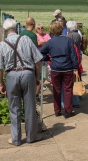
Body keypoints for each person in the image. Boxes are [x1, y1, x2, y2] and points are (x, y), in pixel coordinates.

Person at [0, 18, 43, 146]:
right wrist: (36, 78)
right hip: (28, 73)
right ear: (17, 28)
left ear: (4, 30)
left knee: (14, 107)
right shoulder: (26, 39)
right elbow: (37, 61)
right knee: (30, 106)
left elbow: (0, 67)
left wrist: (1, 83)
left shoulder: (2, 45)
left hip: (11, 75)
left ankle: (16, 139)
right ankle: (31, 136)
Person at [40, 22, 78, 119]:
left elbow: (40, 52)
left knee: (56, 90)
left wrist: (47, 58)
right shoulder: (68, 40)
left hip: (56, 68)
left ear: (52, 31)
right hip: (67, 67)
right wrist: (75, 67)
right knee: (68, 89)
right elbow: (73, 55)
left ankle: (57, 110)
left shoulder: (50, 42)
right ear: (61, 29)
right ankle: (68, 110)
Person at [35, 23, 51, 101]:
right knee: (38, 76)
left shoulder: (46, 35)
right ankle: (37, 93)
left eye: (42, 28)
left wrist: (42, 43)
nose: (41, 29)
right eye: (39, 28)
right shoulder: (35, 36)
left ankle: (37, 92)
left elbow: (50, 42)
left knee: (44, 76)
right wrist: (44, 42)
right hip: (38, 59)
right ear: (36, 29)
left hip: (45, 58)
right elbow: (36, 43)